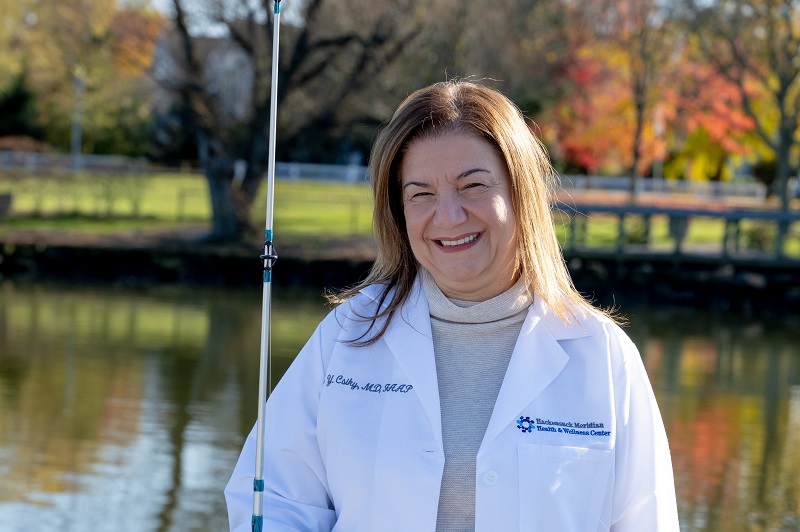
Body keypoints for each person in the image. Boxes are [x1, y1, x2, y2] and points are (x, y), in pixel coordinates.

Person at [225, 80, 680, 531]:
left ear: (521, 193)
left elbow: (647, 522)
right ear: (398, 212)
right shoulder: (345, 337)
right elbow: (273, 500)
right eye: (421, 194)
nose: (448, 216)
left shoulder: (602, 356)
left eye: (473, 185)